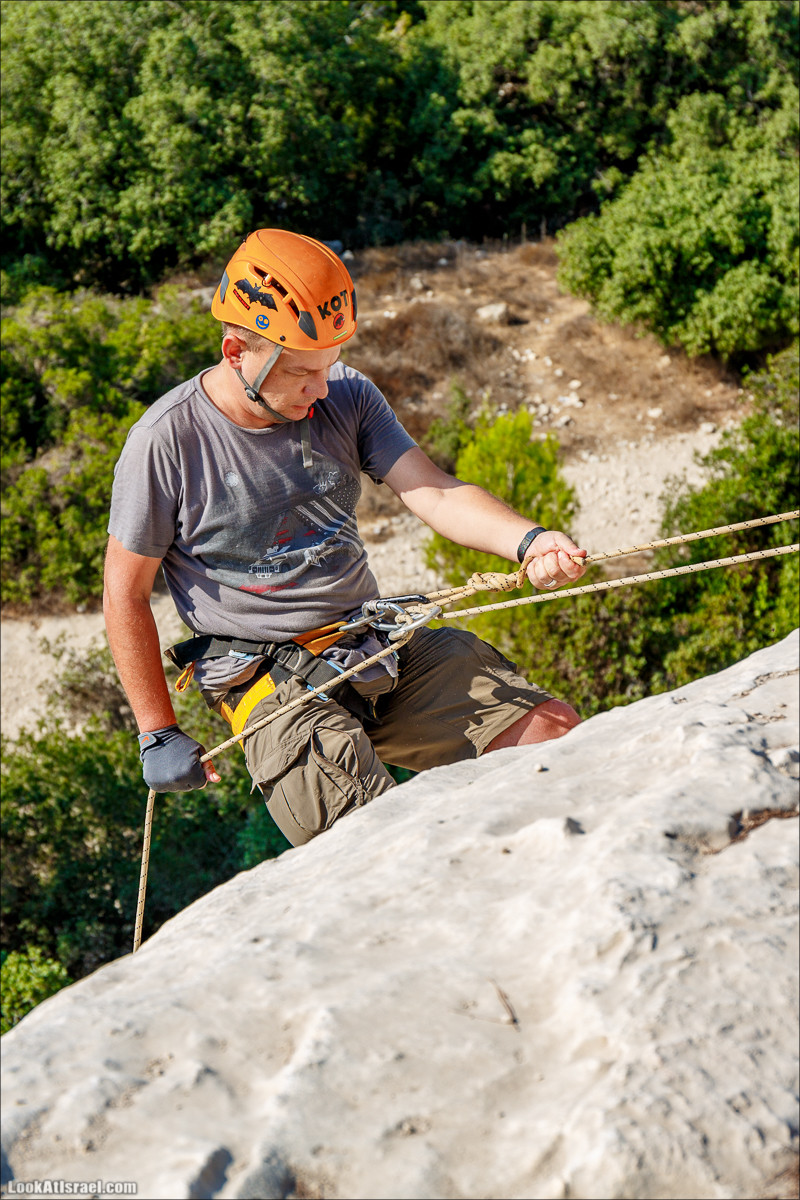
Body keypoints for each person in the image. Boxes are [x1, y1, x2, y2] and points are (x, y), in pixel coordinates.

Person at [104, 229, 587, 847]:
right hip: (266, 678)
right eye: (304, 372)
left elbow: (433, 492)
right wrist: (157, 730)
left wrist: (531, 540)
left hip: (371, 642)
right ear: (236, 352)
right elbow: (124, 592)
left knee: (553, 735)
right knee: (375, 841)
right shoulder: (167, 443)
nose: (324, 387)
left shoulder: (347, 396)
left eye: (330, 365)